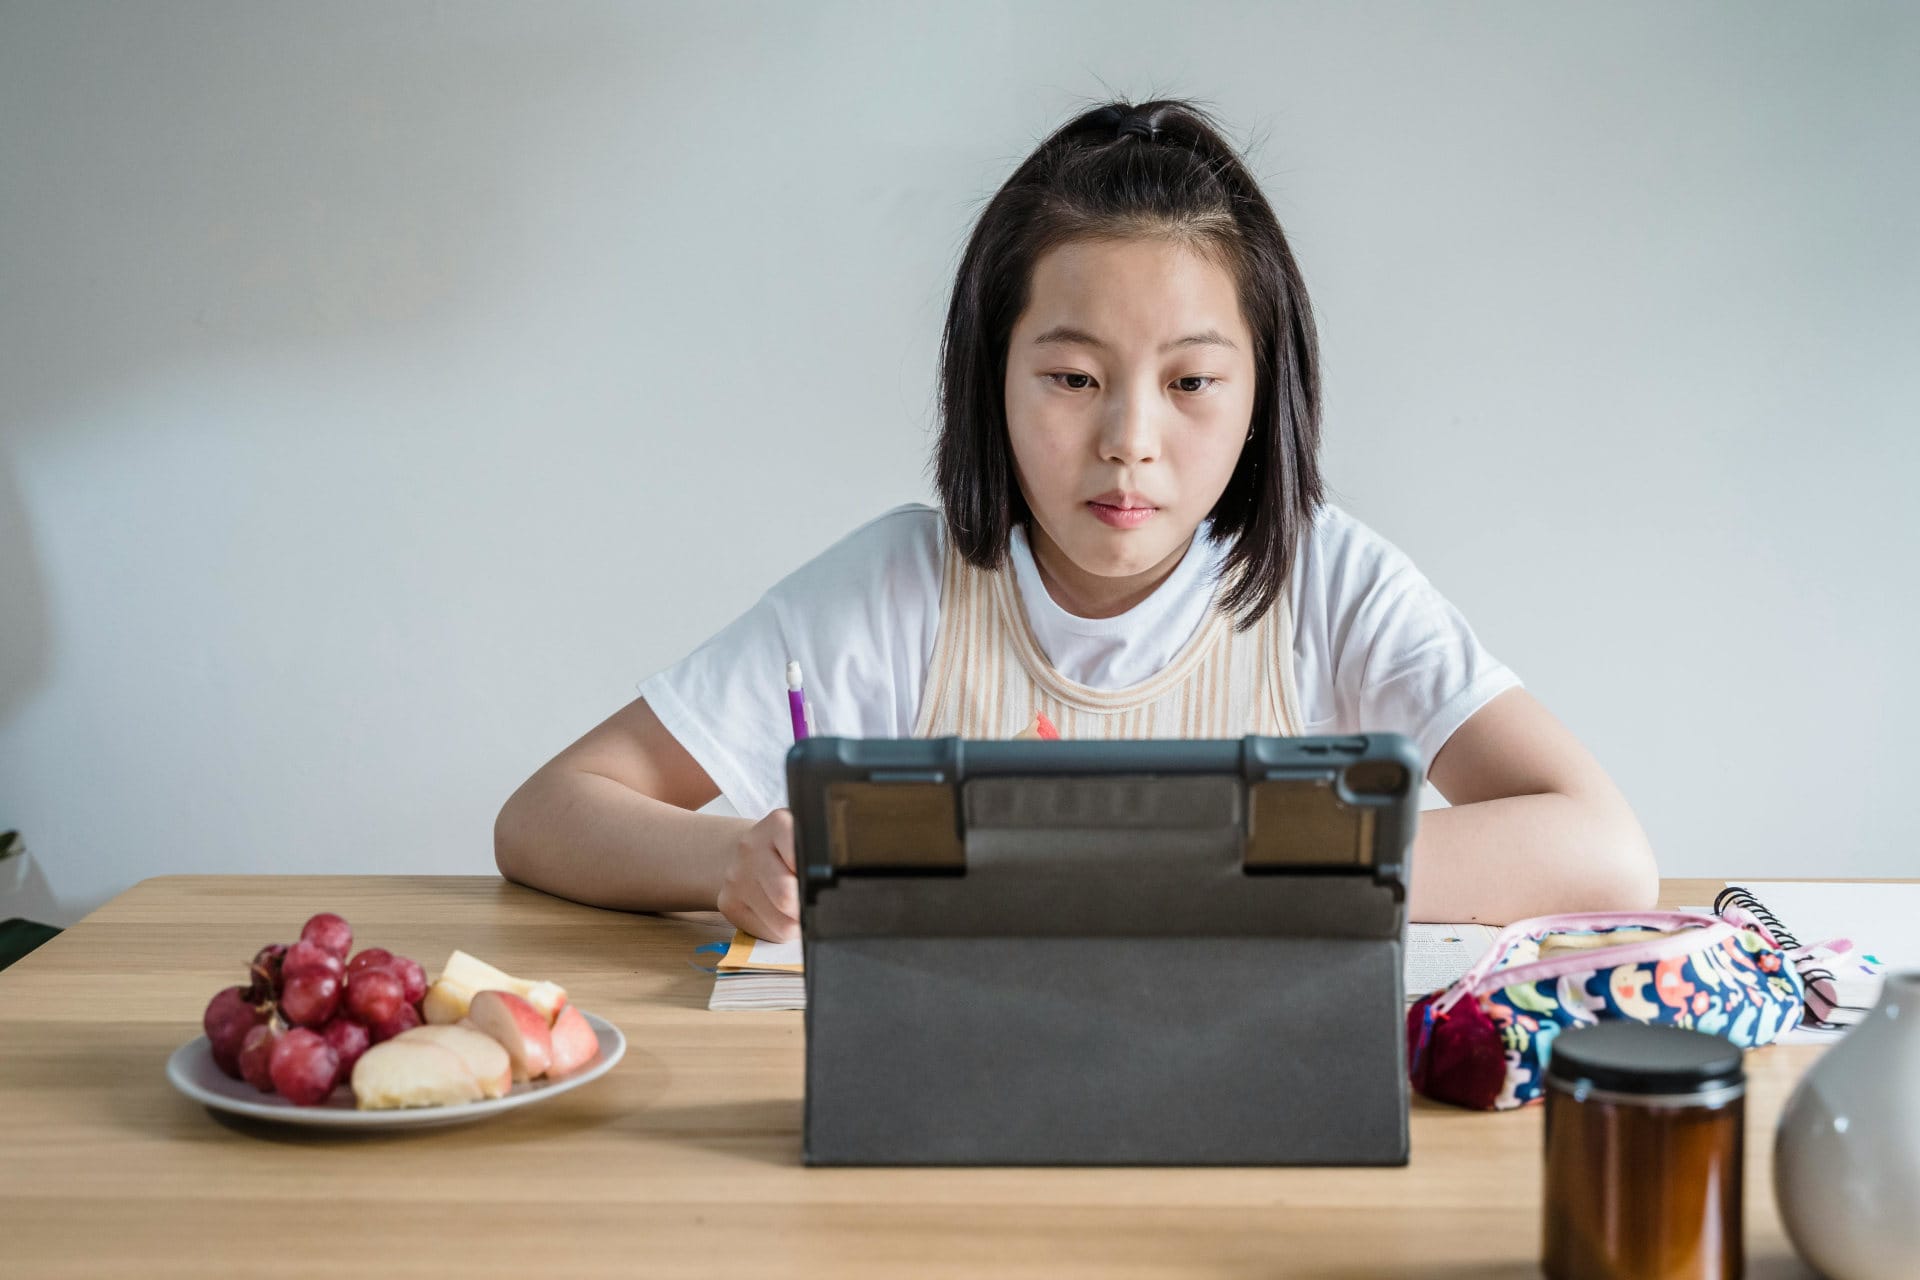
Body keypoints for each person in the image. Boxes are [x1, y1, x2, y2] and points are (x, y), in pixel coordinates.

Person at [495, 98, 1658, 939]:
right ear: (989, 377)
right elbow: (546, 815)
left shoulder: (1327, 584)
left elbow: (1602, 849)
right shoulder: (904, 587)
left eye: (1192, 382)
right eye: (1072, 377)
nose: (1129, 441)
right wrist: (730, 856)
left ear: (1266, 397)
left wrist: (1213, 854)